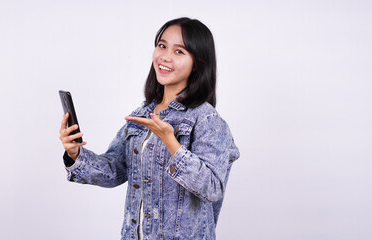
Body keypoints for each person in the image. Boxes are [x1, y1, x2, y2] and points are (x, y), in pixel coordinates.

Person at [59, 17, 240, 240]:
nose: (165, 56)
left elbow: (212, 188)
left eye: (179, 52)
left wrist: (171, 142)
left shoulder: (207, 119)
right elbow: (116, 170)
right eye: (162, 46)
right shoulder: (143, 113)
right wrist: (74, 154)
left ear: (198, 63)